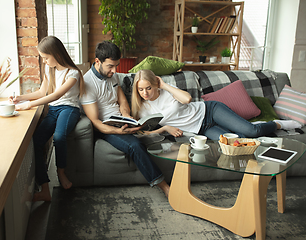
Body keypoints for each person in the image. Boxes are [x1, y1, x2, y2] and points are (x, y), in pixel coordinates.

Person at [80, 41, 170, 197]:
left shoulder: (112, 76)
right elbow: (95, 122)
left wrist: (127, 117)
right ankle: (165, 187)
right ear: (97, 62)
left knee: (154, 132)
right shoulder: (87, 83)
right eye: (110, 66)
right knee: (135, 145)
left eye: (116, 65)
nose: (115, 71)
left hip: (121, 121)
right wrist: (119, 131)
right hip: (106, 127)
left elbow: (122, 102)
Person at [9, 36, 85, 202]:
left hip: (69, 109)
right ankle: (44, 188)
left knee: (58, 136)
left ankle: (61, 173)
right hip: (53, 110)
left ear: (56, 54)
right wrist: (20, 98)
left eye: (45, 57)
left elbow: (57, 94)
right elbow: (42, 93)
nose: (44, 61)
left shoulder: (73, 73)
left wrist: (29, 105)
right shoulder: (49, 70)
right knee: (36, 141)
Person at [131, 69, 302, 140]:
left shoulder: (167, 91)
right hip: (202, 128)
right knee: (238, 141)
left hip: (209, 111)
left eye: (149, 88)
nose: (145, 93)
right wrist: (165, 128)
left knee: (252, 131)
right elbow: (145, 131)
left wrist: (164, 85)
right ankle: (247, 126)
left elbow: (188, 100)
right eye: (140, 90)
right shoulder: (142, 108)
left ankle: (278, 124)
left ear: (155, 84)